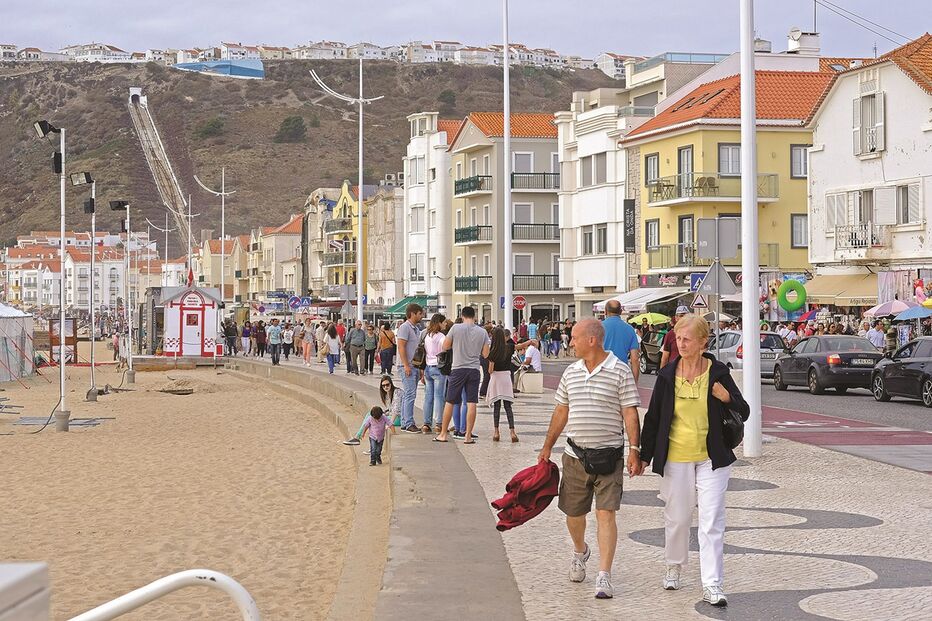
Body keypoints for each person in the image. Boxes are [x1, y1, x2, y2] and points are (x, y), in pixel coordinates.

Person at [640, 314, 750, 608]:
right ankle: (674, 565)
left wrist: (726, 396)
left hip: (712, 458)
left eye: (687, 339)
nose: (682, 344)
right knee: (677, 518)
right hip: (676, 456)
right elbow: (652, 419)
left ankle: (712, 583)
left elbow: (744, 410)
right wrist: (642, 455)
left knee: (712, 520)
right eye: (679, 339)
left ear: (703, 341)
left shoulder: (719, 372)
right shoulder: (666, 376)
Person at [537, 319, 642, 600]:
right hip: (574, 455)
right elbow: (561, 411)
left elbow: (630, 413)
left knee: (606, 513)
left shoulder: (620, 372)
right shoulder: (570, 373)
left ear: (592, 340)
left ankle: (604, 575)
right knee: (574, 514)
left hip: (609, 456)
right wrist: (547, 446)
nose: (571, 342)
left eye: (574, 337)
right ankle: (580, 550)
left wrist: (635, 449)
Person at [435, 306, 491, 444]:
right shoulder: (482, 332)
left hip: (458, 369)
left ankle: (443, 434)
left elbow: (445, 346)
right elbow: (485, 354)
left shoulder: (456, 328)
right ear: (474, 316)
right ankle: (468, 436)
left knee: (450, 401)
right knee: (471, 403)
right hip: (474, 370)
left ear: (462, 315)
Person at [343, 375, 403, 446]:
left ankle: (358, 438)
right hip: (393, 416)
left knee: (372, 418)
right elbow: (390, 409)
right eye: (383, 386)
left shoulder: (397, 392)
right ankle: (371, 446)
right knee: (371, 415)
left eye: (387, 385)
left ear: (391, 384)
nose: (385, 387)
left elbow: (396, 410)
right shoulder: (387, 394)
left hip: (399, 418)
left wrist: (390, 423)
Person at [396, 303, 425, 434]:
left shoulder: (416, 329)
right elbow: (401, 346)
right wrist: (406, 365)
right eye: (420, 313)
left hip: (414, 365)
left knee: (409, 393)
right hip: (406, 365)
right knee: (410, 394)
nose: (422, 316)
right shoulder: (405, 328)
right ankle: (408, 423)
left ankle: (404, 422)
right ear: (413, 313)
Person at [487, 326, 518, 443]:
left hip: (496, 378)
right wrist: (530, 342)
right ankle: (512, 432)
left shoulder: (493, 350)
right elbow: (519, 346)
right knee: (508, 406)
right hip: (506, 378)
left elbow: (490, 370)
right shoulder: (509, 347)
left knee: (497, 407)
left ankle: (496, 432)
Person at [421, 313, 448, 434]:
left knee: (428, 396)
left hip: (428, 367)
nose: (445, 324)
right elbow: (445, 350)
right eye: (444, 322)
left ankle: (426, 423)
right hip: (438, 367)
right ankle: (438, 423)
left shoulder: (427, 335)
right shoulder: (441, 336)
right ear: (439, 323)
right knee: (439, 397)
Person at [601, 300, 640, 382]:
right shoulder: (629, 329)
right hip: (621, 373)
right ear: (621, 311)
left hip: (601, 372)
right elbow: (635, 358)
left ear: (605, 311)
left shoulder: (598, 327)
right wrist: (634, 382)